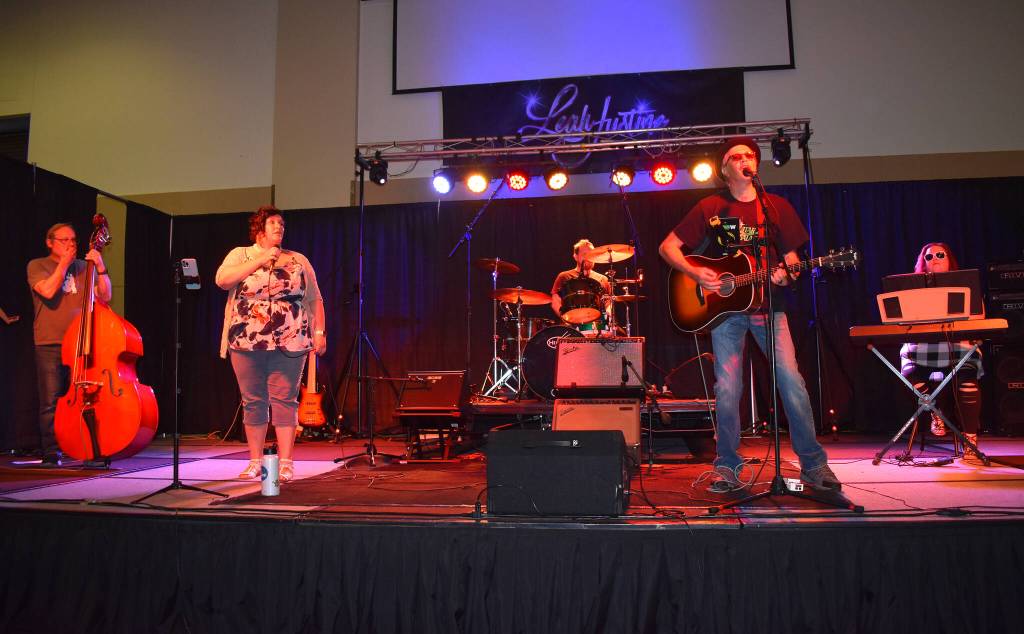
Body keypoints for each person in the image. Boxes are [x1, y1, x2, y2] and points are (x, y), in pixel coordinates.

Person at [658, 137, 840, 493]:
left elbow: (791, 262)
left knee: (791, 381)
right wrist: (695, 273)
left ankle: (813, 465)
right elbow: (667, 247)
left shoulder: (776, 208)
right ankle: (727, 466)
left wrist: (788, 274)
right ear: (725, 168)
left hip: (770, 308)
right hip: (725, 312)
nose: (746, 159)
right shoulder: (711, 207)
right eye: (736, 156)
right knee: (728, 388)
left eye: (750, 155)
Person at [215, 205, 326, 483]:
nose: (279, 227)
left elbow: (315, 298)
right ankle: (255, 462)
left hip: (291, 339)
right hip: (246, 339)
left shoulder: (298, 259)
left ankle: (286, 463)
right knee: (253, 401)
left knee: (285, 400)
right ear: (259, 228)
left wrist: (320, 332)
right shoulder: (241, 254)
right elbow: (222, 280)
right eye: (273, 223)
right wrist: (262, 258)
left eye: (282, 224)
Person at [26, 222, 112, 466]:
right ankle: (52, 452)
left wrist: (101, 268)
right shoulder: (37, 265)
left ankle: (85, 447)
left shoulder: (85, 267)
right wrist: (64, 264)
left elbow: (105, 296)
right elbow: (47, 291)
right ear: (49, 242)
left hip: (80, 343)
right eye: (64, 240)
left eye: (73, 240)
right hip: (50, 342)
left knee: (85, 398)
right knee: (51, 401)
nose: (70, 244)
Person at [899, 242, 983, 460]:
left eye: (940, 255)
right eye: (929, 257)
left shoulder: (966, 287)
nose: (934, 259)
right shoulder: (913, 290)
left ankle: (970, 441)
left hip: (957, 348)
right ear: (923, 263)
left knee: (967, 381)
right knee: (908, 369)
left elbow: (979, 317)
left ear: (949, 260)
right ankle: (935, 410)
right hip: (923, 348)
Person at [550, 239, 613, 337]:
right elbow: (555, 301)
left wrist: (609, 314)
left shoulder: (603, 279)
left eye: (591, 254)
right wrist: (566, 319)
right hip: (571, 328)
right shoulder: (564, 276)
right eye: (585, 254)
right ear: (575, 256)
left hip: (598, 329)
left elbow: (608, 302)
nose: (589, 257)